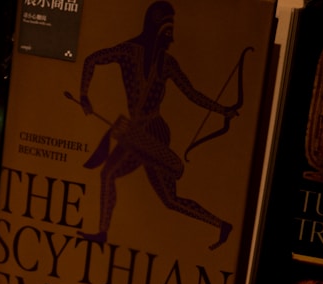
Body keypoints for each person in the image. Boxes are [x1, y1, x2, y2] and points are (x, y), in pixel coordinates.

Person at [76, 1, 237, 248]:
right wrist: (84, 96)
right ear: (156, 29)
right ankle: (103, 232)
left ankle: (221, 225)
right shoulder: (128, 52)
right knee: (121, 179)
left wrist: (222, 110)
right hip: (135, 131)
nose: (171, 40)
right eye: (167, 32)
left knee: (164, 198)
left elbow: (191, 93)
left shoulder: (167, 64)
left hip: (154, 133)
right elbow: (91, 59)